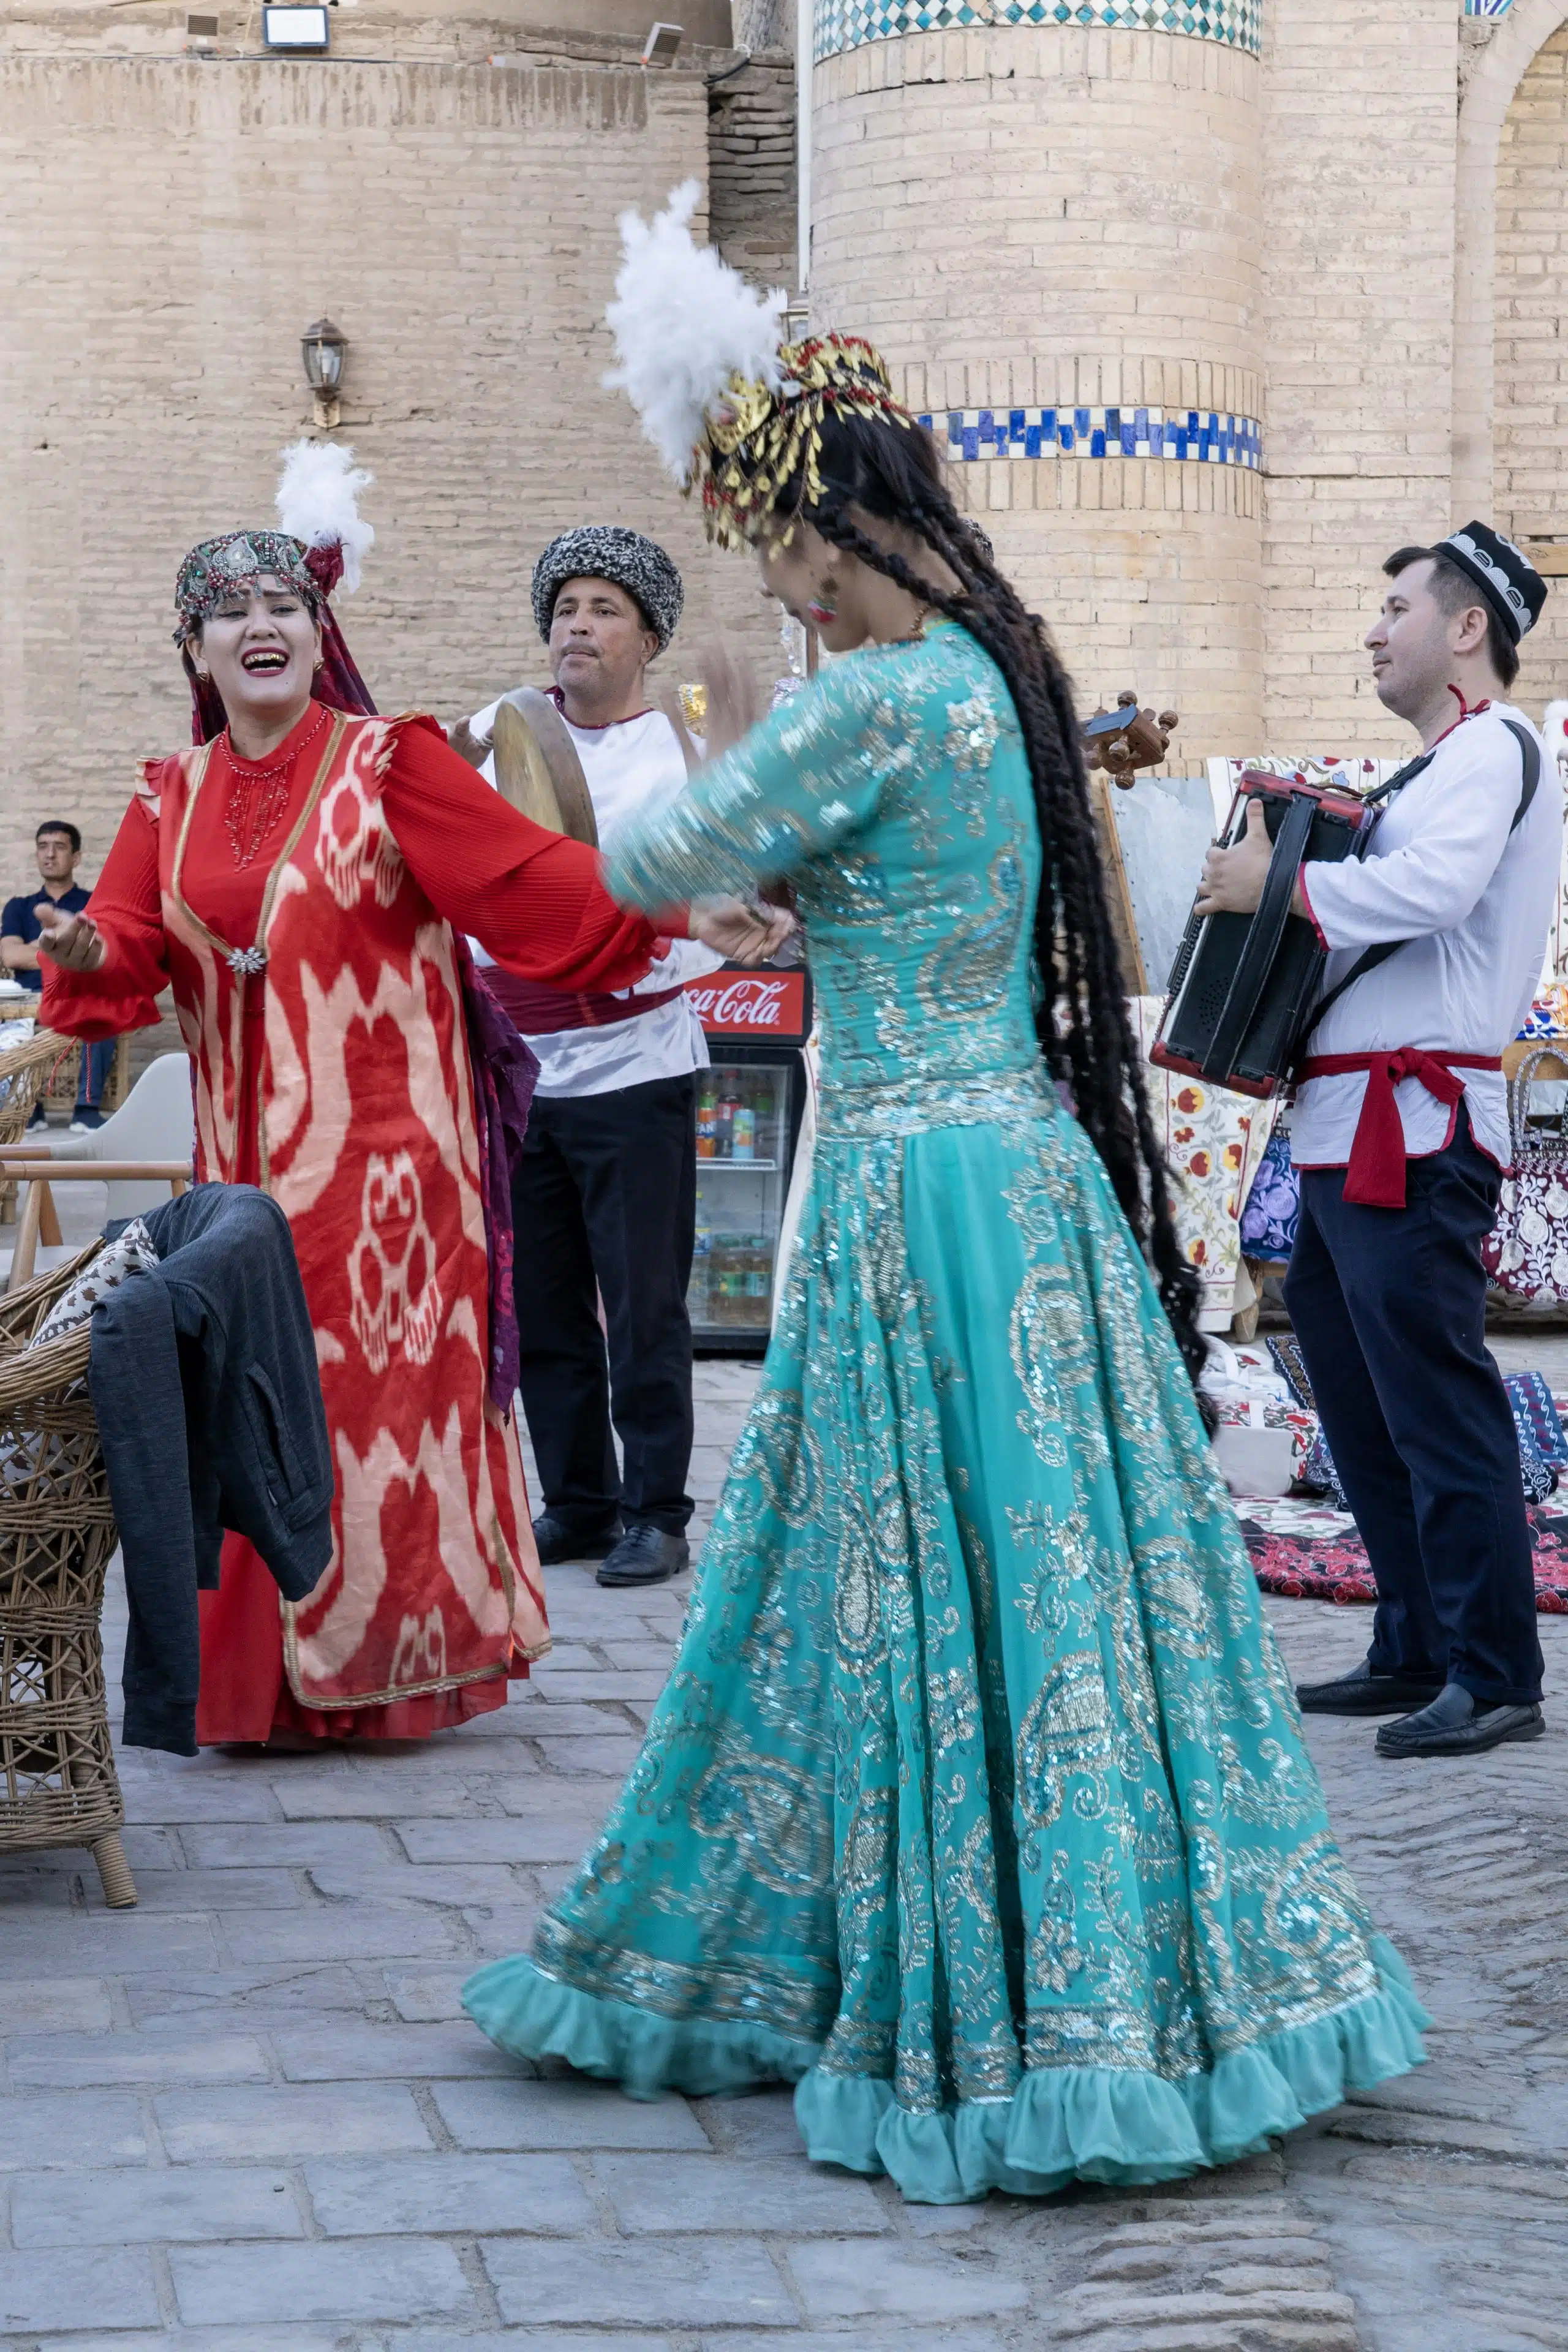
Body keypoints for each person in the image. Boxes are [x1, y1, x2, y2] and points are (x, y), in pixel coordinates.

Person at [462, 187, 1425, 2205]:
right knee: (1067, 1577)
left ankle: (998, 1999)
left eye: (787, 554)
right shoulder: (992, 681)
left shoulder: (869, 697)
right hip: (1031, 1179)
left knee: (925, 1586)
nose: (784, 591)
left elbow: (644, 863)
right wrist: (795, 906)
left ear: (839, 532)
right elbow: (907, 911)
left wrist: (627, 743)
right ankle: (1143, 1958)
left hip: (912, 1194)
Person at [36, 443, 781, 1748]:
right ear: (195, 647)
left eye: (284, 609)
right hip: (242, 1180)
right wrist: (92, 954)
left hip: (392, 1177)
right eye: (232, 614)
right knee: (251, 1399)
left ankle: (387, 1677)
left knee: (369, 1412)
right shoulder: (173, 793)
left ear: (317, 633)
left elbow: (533, 880)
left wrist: (679, 906)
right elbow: (125, 939)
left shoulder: (392, 762)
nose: (260, 627)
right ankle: (259, 1689)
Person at [1197, 526, 1555, 1761]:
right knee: (1356, 1405)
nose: (1370, 627)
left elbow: (1438, 893)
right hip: (1347, 1125)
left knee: (1433, 1402)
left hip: (1413, 1125)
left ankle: (1495, 1670)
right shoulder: (1427, 771)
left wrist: (1279, 892)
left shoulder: (1494, 747)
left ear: (1465, 628)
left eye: (1394, 606)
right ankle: (1412, 1639)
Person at [454, 528, 725, 1591]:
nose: (578, 623)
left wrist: (610, 951)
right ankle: (575, 1501)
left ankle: (656, 1510)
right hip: (522, 1073)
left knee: (644, 1301)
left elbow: (717, 914)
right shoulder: (493, 735)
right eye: (565, 605)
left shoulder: (687, 760)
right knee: (546, 1302)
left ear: (648, 637)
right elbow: (460, 877)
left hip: (636, 1068)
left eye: (605, 607)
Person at [1, 821, 116, 1129]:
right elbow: (10, 956)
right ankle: (29, 1109)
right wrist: (64, 952)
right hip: (28, 1001)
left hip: (79, 994)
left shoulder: (94, 904)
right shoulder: (19, 907)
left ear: (76, 857)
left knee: (105, 1010)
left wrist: (34, 951)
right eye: (43, 846)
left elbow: (96, 953)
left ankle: (86, 1109)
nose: (49, 855)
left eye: (60, 847)